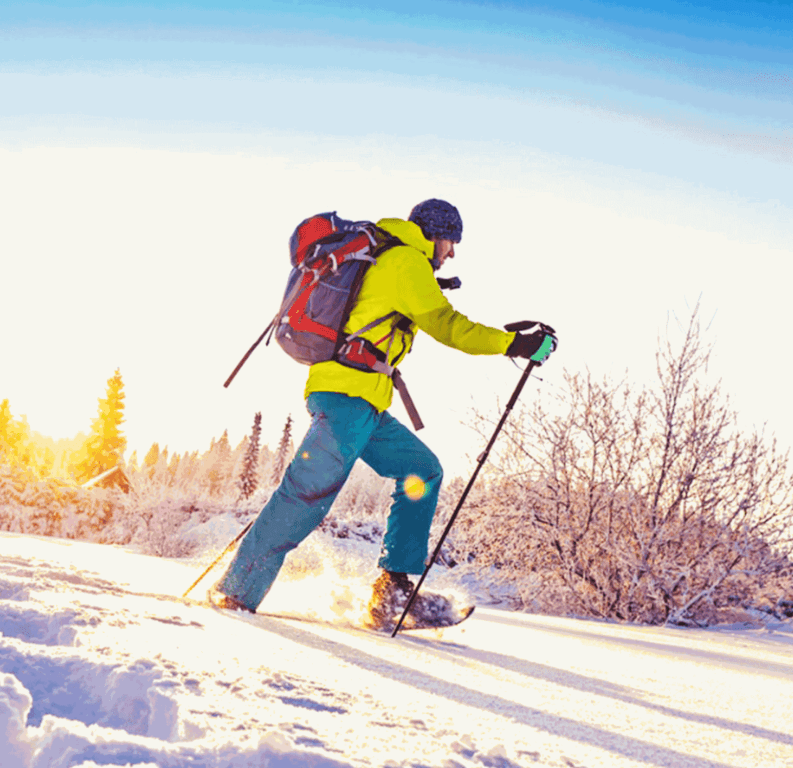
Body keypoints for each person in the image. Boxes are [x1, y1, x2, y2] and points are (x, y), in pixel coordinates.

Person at [212, 199, 555, 626]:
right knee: (304, 498)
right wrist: (513, 345)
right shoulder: (405, 261)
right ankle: (234, 596)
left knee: (421, 469)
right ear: (434, 233)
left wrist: (503, 338)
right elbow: (448, 325)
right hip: (346, 399)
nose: (451, 253)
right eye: (451, 242)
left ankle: (391, 593)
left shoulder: (398, 261)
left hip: (365, 402)